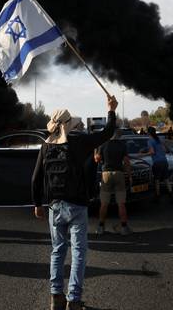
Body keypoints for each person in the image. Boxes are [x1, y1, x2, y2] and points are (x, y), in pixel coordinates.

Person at [32, 95, 117, 310]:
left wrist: (37, 204)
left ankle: (55, 298)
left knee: (57, 250)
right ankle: (74, 300)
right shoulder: (78, 143)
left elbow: (35, 178)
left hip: (54, 207)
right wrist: (111, 110)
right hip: (77, 206)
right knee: (78, 252)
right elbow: (107, 133)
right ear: (68, 124)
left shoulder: (45, 147)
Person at [95, 128, 131, 236]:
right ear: (118, 135)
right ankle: (124, 228)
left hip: (106, 174)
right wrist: (129, 175)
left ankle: (101, 227)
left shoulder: (103, 144)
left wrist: (95, 152)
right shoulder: (122, 145)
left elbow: (97, 159)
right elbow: (126, 162)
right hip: (119, 174)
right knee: (121, 203)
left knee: (104, 203)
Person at [144, 126, 173, 203]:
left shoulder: (150, 141)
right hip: (164, 161)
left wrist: (141, 155)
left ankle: (157, 197)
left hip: (157, 162)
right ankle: (171, 196)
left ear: (149, 133)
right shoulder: (159, 140)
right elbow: (166, 150)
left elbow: (152, 152)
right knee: (166, 179)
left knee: (157, 180)